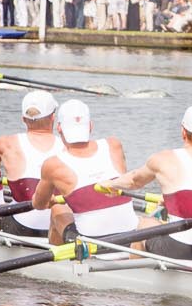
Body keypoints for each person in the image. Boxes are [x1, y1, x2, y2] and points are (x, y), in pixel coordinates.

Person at [96, 104, 192, 262]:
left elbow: (134, 180)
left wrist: (110, 184)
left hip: (179, 249)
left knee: (145, 224)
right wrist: (172, 201)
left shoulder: (164, 159)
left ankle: (139, 278)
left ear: (183, 132)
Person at [31, 98, 135, 244]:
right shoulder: (113, 145)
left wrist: (54, 199)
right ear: (90, 126)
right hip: (130, 238)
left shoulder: (52, 164)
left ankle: (58, 263)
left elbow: (39, 205)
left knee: (57, 209)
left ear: (59, 128)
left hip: (93, 244)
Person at [0, 89, 60, 238]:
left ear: (23, 119)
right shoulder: (68, 148)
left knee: (1, 210)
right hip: (56, 226)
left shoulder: (7, 144)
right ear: (53, 117)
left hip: (21, 226)